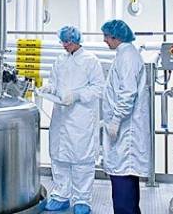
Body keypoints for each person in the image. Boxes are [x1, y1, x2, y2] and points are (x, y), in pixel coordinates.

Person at [39, 25, 105, 214]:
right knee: (59, 157)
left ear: (76, 40)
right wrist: (49, 89)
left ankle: (82, 200)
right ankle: (61, 195)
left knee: (81, 160)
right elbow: (54, 82)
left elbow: (99, 88)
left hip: (81, 118)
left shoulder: (90, 61)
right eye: (63, 42)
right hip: (60, 116)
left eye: (67, 42)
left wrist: (76, 95)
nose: (64, 45)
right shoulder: (60, 60)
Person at [100, 20, 150, 214]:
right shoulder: (124, 55)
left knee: (123, 177)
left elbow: (128, 93)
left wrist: (116, 119)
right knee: (124, 176)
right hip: (124, 127)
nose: (104, 40)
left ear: (116, 37)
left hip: (127, 130)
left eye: (106, 36)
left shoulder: (127, 57)